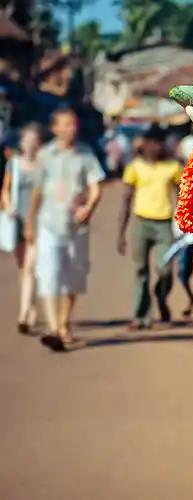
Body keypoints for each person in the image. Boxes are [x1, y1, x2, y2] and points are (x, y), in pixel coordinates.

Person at [27, 108, 105, 351]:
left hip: (76, 227)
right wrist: (30, 224)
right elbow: (37, 193)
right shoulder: (45, 155)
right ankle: (53, 329)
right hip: (49, 224)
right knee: (50, 275)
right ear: (55, 128)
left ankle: (63, 322)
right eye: (66, 124)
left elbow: (96, 186)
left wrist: (90, 206)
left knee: (74, 276)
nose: (72, 128)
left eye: (74, 124)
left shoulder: (85, 154)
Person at [117, 124, 181, 328]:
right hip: (141, 223)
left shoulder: (172, 167)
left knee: (165, 270)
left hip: (164, 225)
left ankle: (161, 298)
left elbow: (184, 195)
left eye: (160, 143)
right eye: (152, 143)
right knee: (141, 271)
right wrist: (121, 233)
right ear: (144, 144)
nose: (156, 147)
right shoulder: (135, 167)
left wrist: (186, 222)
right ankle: (141, 315)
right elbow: (126, 200)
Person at [1, 123, 44, 334]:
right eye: (27, 140)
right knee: (22, 267)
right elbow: (5, 190)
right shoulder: (14, 164)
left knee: (30, 267)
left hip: (38, 221)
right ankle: (32, 305)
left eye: (34, 140)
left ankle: (23, 314)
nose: (31, 144)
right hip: (16, 220)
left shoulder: (45, 165)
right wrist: (8, 205)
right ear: (21, 143)